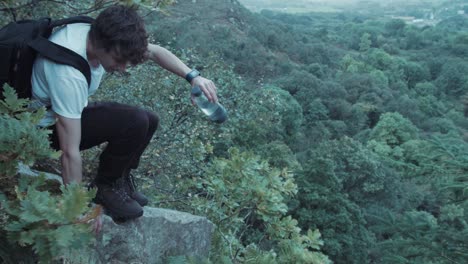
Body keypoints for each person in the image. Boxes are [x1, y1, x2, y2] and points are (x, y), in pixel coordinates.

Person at [30, 5, 218, 221]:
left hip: (63, 110)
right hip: (39, 132)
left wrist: (193, 77)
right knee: (134, 120)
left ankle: (118, 179)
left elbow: (155, 52)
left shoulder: (103, 35)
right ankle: (104, 187)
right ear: (102, 44)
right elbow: (69, 151)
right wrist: (78, 210)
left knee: (149, 119)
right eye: (120, 61)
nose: (123, 67)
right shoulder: (68, 73)